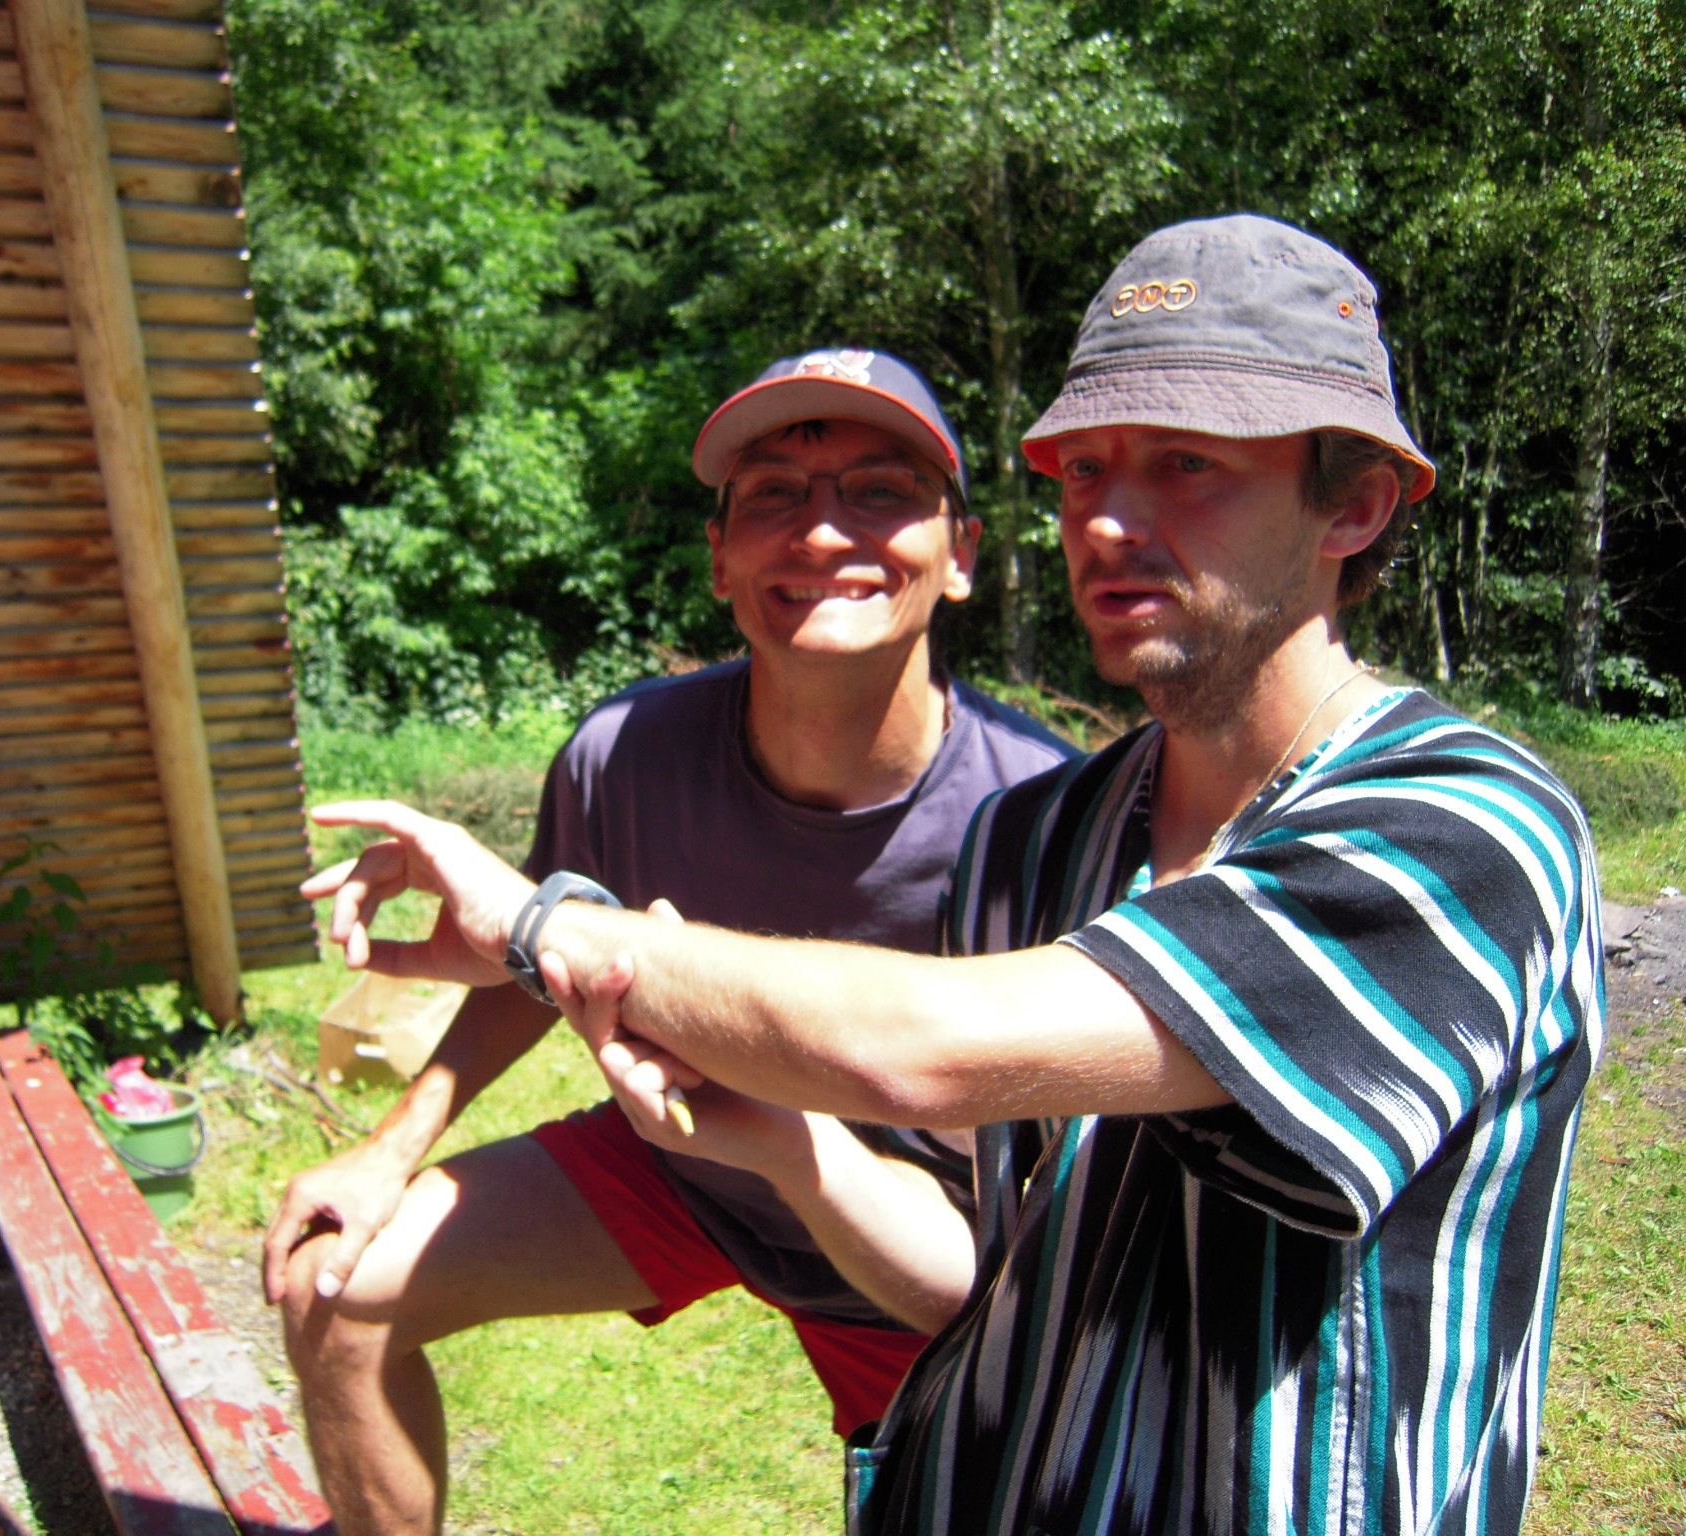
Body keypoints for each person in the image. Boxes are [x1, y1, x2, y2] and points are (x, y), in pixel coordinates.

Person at [304, 216, 1604, 1535]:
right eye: (1083, 467)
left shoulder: (1459, 834)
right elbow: (987, 1276)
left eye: (1187, 463)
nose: (1108, 518)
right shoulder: (1040, 839)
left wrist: (546, 925)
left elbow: (916, 1055)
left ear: (1357, 503)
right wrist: (794, 1147)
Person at [264, 350, 1074, 1535]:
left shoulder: (1049, 820)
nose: (821, 531)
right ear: (718, 558)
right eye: (774, 495)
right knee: (333, 1286)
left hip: (919, 1261)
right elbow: (536, 962)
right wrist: (391, 1147)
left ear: (959, 554)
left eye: (880, 492)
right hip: (681, 1165)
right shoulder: (622, 754)